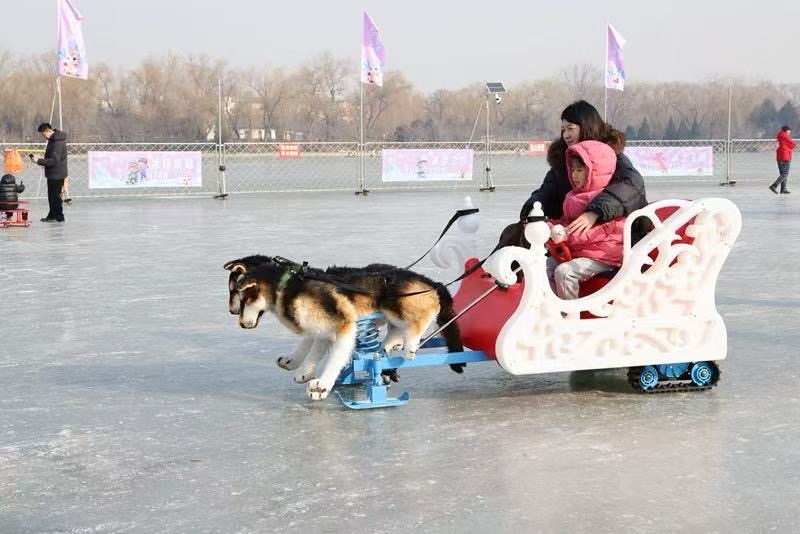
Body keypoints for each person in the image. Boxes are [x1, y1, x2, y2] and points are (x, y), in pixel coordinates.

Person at [497, 100, 648, 251]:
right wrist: (531, 213)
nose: (566, 135)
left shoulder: (611, 156)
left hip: (607, 235)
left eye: (570, 129)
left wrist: (595, 212)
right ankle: (492, 265)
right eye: (563, 130)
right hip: (567, 228)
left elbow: (631, 186)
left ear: (587, 127)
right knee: (516, 232)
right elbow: (547, 192)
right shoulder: (564, 160)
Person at [546, 141, 625, 299]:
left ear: (594, 172)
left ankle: (570, 310)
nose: (574, 175)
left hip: (603, 255)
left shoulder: (606, 200)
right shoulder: (574, 196)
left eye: (580, 170)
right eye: (572, 170)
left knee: (565, 272)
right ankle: (555, 303)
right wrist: (550, 226)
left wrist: (566, 234)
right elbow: (568, 221)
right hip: (582, 252)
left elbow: (600, 231)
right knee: (547, 265)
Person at [29, 123, 68, 222]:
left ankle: (59, 217)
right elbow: (51, 157)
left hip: (57, 174)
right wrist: (40, 159)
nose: (44, 137)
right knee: (52, 196)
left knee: (55, 197)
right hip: (53, 173)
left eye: (44, 134)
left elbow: (54, 160)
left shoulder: (57, 142)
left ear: (49, 131)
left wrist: (39, 161)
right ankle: (52, 215)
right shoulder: (52, 140)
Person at [770, 125, 796, 194]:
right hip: (785, 157)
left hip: (779, 157)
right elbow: (793, 144)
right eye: (789, 131)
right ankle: (774, 186)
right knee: (785, 174)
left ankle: (783, 189)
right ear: (787, 131)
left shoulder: (779, 137)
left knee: (782, 174)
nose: (790, 132)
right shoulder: (785, 136)